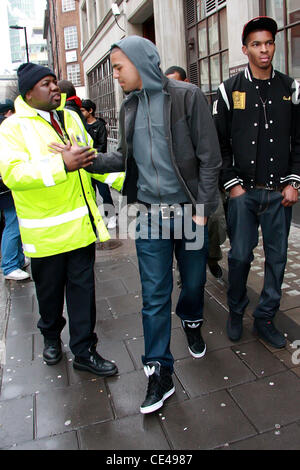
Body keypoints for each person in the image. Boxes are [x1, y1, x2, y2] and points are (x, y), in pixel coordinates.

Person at [55, 36, 221, 414]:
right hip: (146, 216)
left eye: (118, 67)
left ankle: (192, 319)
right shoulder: (129, 106)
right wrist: (86, 160)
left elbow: (210, 158)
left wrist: (201, 211)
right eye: (112, 69)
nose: (115, 76)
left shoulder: (186, 96)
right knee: (154, 295)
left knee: (193, 283)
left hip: (188, 212)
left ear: (141, 62)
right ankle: (158, 371)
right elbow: (124, 160)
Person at [0, 62, 123, 376]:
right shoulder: (12, 128)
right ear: (29, 93)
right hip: (46, 235)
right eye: (46, 83)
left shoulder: (71, 117)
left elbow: (88, 159)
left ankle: (84, 350)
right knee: (50, 294)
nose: (55, 87)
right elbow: (13, 174)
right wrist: (60, 165)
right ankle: (51, 337)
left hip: (81, 228)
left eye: (55, 82)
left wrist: (129, 183)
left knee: (84, 294)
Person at [213, 17, 300, 348]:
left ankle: (266, 317)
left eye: (269, 42)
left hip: (280, 194)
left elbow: (299, 141)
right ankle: (236, 311)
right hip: (243, 194)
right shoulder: (228, 90)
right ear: (244, 49)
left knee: (277, 259)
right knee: (239, 258)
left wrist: (294, 182)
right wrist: (233, 186)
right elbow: (218, 145)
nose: (264, 49)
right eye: (256, 44)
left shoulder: (290, 88)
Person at [165, 66, 227, 279]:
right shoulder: (169, 110)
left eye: (176, 82)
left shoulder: (199, 102)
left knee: (216, 224)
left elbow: (214, 148)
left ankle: (212, 258)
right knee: (185, 231)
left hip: (209, 181)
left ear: (186, 81)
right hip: (184, 188)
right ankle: (186, 271)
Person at [0, 99, 30, 281]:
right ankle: (10, 265)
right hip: (6, 187)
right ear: (9, 113)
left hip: (5, 186)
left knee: (13, 222)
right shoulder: (7, 129)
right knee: (13, 224)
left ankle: (17, 260)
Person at [81, 99, 117, 230]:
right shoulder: (81, 125)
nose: (81, 113)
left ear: (90, 111)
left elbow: (102, 146)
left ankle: (111, 216)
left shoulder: (99, 125)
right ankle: (95, 219)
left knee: (104, 192)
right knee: (90, 194)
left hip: (99, 165)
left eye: (83, 110)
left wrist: (90, 155)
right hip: (85, 166)